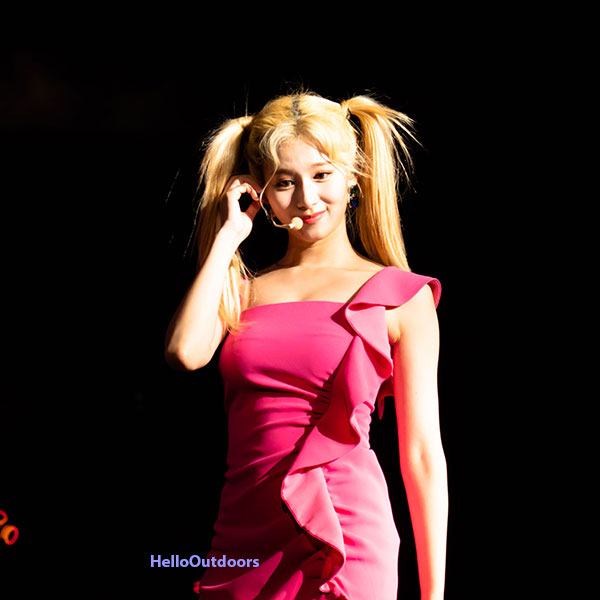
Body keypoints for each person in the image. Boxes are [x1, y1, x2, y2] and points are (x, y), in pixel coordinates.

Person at [164, 91, 448, 600]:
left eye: (321, 174)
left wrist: (434, 595)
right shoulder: (241, 292)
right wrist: (228, 236)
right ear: (260, 190)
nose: (306, 198)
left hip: (345, 534)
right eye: (284, 181)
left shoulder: (400, 296)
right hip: (243, 539)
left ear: (352, 176)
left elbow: (423, 455)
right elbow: (184, 352)